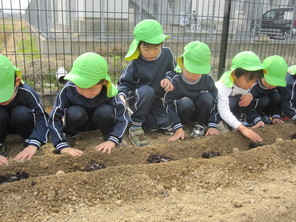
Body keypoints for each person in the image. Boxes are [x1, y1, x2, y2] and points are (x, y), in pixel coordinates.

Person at [48, 52, 129, 156]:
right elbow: (54, 117)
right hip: (78, 121)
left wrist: (114, 139)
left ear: (103, 82)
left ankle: (109, 135)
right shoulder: (68, 89)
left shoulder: (109, 90)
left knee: (105, 111)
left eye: (91, 89)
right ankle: (69, 135)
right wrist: (61, 144)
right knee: (75, 112)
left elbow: (123, 115)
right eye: (80, 87)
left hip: (99, 121)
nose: (86, 93)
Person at [117, 19, 176, 147]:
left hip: (156, 100)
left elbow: (175, 71)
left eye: (156, 48)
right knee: (147, 91)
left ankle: (134, 122)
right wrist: (122, 95)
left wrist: (169, 79)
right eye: (146, 48)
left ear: (161, 44)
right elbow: (125, 83)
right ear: (138, 46)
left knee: (165, 122)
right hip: (139, 97)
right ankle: (135, 127)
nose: (152, 53)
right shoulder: (135, 61)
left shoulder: (167, 55)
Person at [164, 41, 220, 141]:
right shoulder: (176, 81)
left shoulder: (208, 80)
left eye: (197, 72)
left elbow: (216, 102)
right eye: (189, 70)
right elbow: (169, 105)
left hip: (200, 114)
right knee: (185, 102)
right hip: (183, 113)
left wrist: (213, 124)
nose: (192, 75)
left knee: (207, 97)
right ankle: (182, 126)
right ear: (182, 63)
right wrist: (177, 126)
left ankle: (200, 125)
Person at [0, 55, 49, 165]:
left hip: (21, 124)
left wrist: (34, 144)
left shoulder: (27, 93)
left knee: (21, 112)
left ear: (17, 81)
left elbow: (42, 118)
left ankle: (27, 140)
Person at [215, 51, 266, 142]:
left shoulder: (243, 84)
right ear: (234, 74)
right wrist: (242, 128)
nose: (252, 84)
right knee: (232, 101)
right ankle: (218, 124)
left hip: (229, 114)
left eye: (255, 80)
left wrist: (249, 96)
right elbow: (224, 111)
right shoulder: (222, 86)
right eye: (249, 80)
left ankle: (232, 124)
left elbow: (248, 107)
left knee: (242, 99)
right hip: (216, 114)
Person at [249, 55, 288, 127]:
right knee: (264, 100)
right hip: (250, 113)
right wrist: (256, 119)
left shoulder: (276, 88)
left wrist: (275, 116)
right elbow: (248, 107)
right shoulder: (253, 87)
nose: (271, 86)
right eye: (269, 81)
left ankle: (265, 116)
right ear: (262, 74)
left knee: (276, 96)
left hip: (264, 111)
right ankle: (253, 119)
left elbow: (276, 104)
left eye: (275, 83)